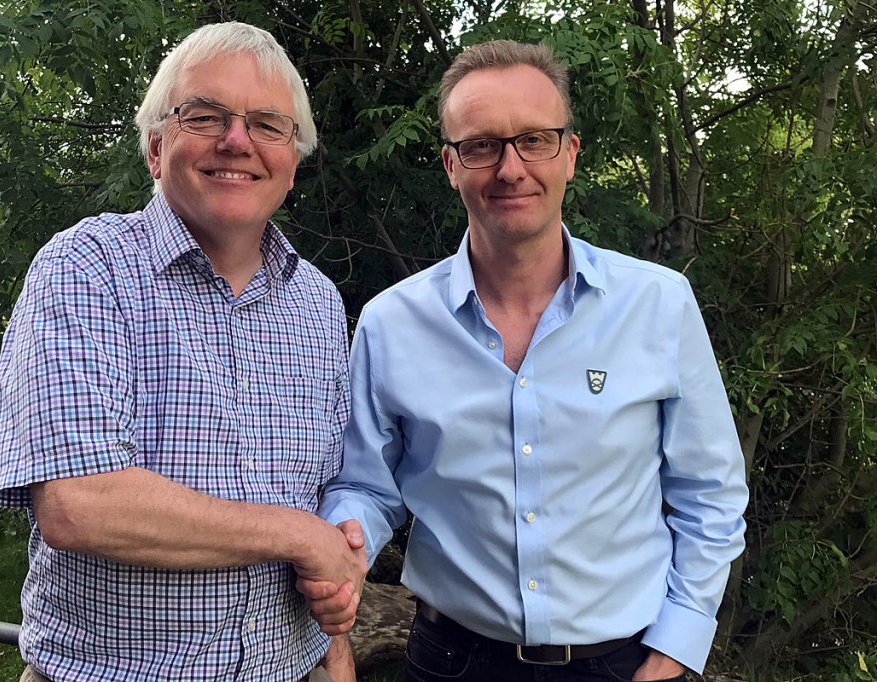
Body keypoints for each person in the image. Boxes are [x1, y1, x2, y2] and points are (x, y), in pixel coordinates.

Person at [310, 40, 749, 681]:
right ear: (450, 165)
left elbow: (709, 493)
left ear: (570, 153)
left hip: (626, 664)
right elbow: (368, 487)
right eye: (481, 145)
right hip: (452, 661)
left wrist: (677, 648)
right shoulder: (391, 323)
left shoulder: (658, 305)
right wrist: (342, 544)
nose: (510, 168)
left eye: (535, 139)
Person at [0, 22, 366, 682]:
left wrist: (335, 633)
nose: (237, 140)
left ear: (292, 161)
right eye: (206, 115)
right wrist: (300, 536)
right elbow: (79, 504)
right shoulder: (85, 268)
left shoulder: (319, 302)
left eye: (268, 124)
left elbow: (323, 490)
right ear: (157, 148)